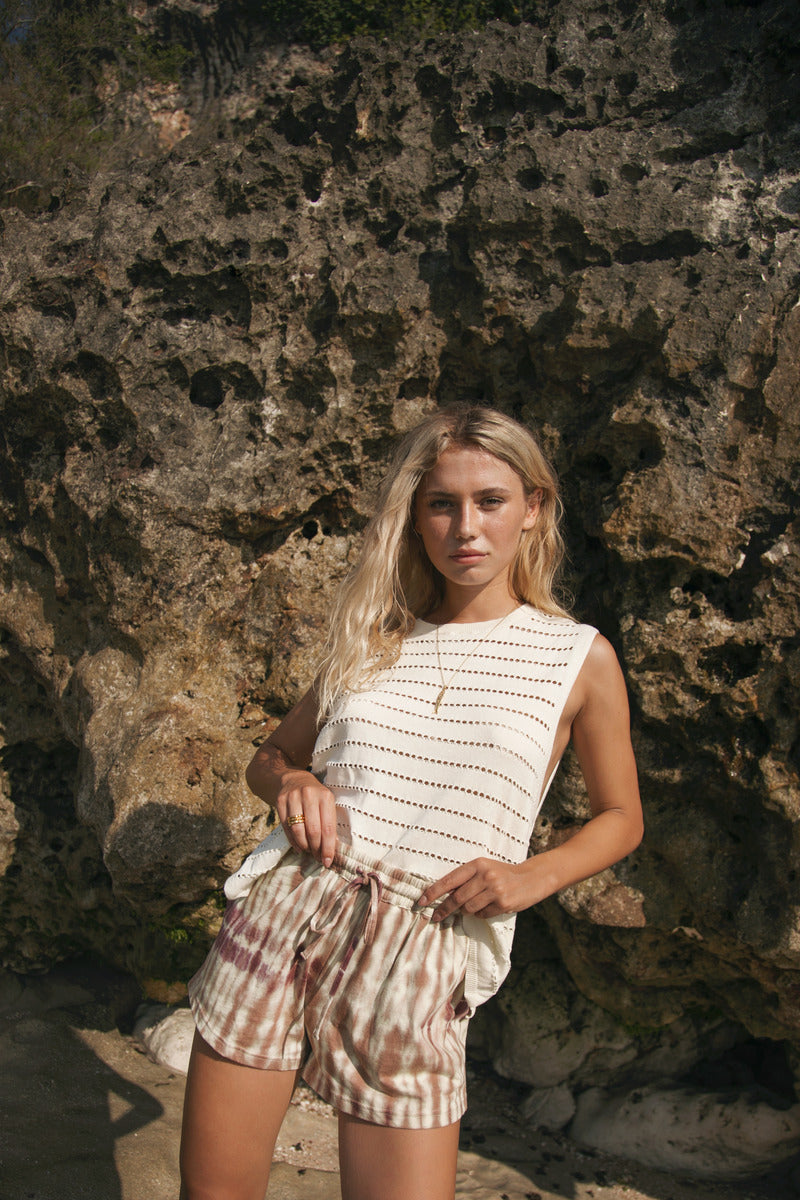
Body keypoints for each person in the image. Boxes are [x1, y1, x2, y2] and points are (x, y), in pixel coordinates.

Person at [179, 404, 643, 1200]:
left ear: (534, 509)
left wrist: (531, 877)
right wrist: (293, 784)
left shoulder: (578, 657)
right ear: (415, 517)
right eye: (442, 503)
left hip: (425, 941)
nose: (466, 526)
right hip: (289, 913)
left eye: (490, 500)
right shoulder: (373, 633)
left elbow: (622, 817)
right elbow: (273, 756)